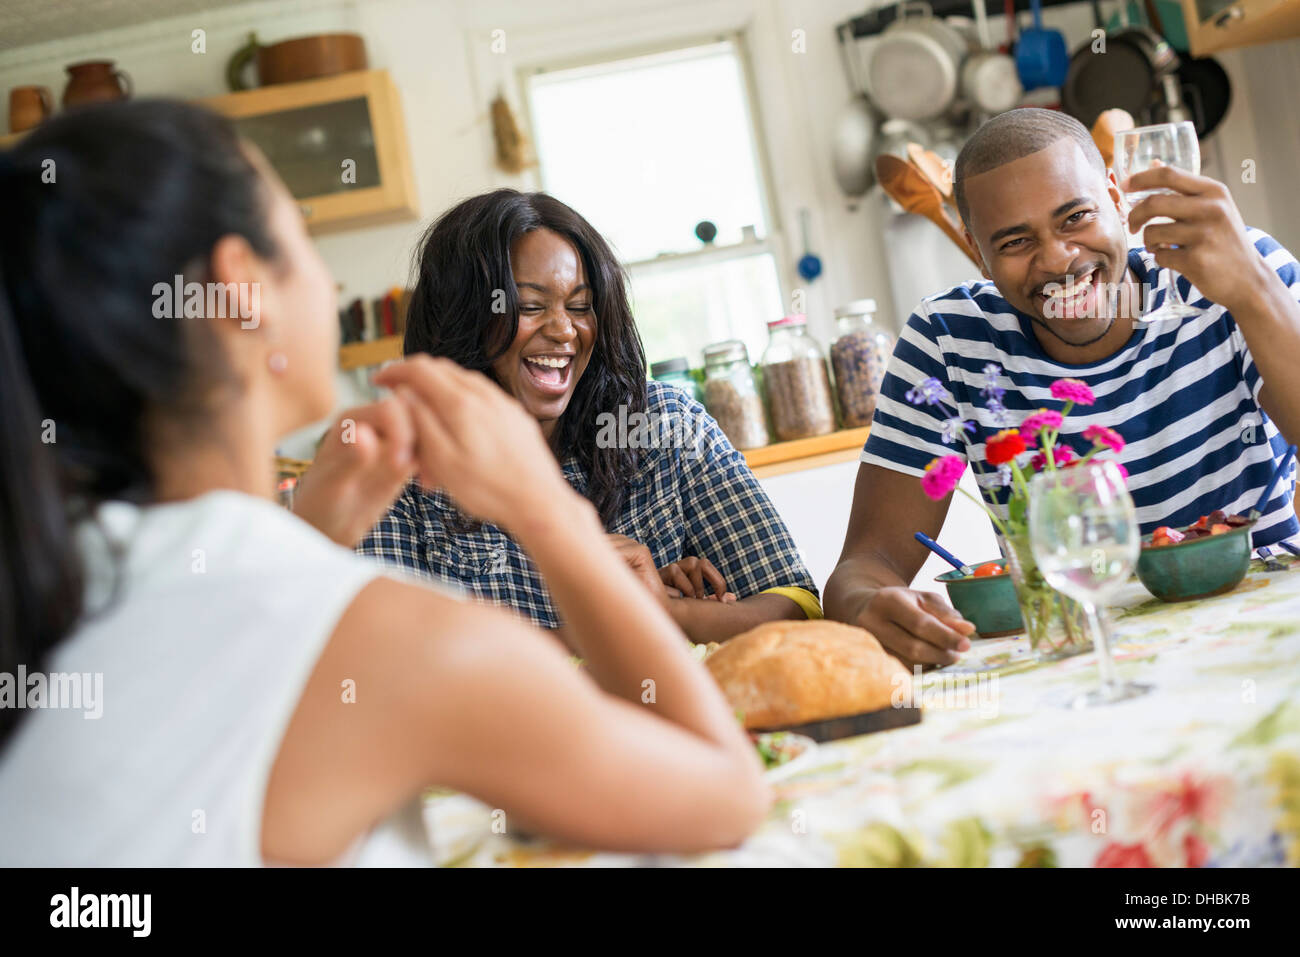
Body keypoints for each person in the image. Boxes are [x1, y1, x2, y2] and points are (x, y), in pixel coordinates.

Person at [0, 101, 769, 866]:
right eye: (301, 236)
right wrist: (550, 514)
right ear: (242, 290)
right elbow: (729, 795)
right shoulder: (391, 639)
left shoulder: (45, 579)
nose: (329, 276)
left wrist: (304, 531)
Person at [825, 108, 1300, 669]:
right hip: (1076, 662)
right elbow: (864, 563)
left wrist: (1253, 293)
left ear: (1118, 200)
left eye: (1075, 217)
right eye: (1015, 242)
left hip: (1259, 632)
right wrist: (871, 607)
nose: (1057, 259)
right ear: (979, 255)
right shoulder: (947, 339)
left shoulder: (1235, 270)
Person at [353, 189, 821, 643]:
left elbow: (797, 607)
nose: (564, 331)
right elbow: (388, 661)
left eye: (580, 307)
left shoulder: (667, 426)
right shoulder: (398, 470)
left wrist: (670, 610)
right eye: (531, 306)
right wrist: (610, 626)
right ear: (462, 317)